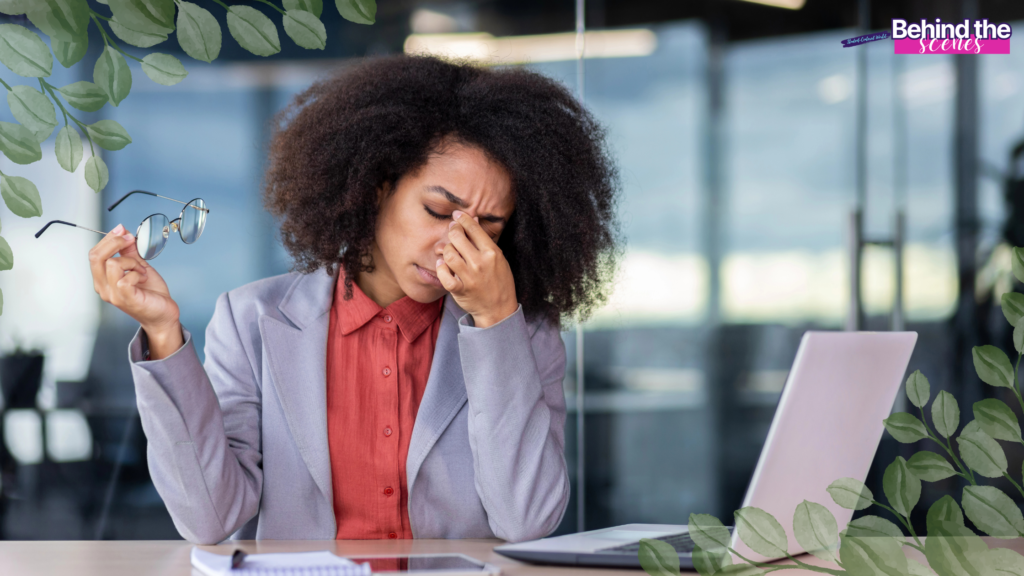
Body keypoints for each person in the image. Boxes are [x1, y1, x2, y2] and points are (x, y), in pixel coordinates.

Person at [88, 54, 620, 545]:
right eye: (439, 211)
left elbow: (525, 520)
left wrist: (496, 322)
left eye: (489, 226)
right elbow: (209, 518)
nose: (458, 245)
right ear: (376, 187)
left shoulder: (522, 333)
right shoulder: (251, 320)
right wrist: (161, 333)